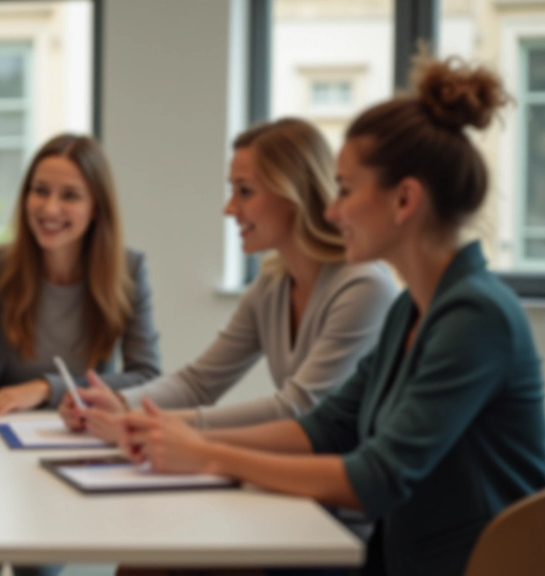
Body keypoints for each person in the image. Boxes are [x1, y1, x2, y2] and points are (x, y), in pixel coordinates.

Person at [119, 57, 545, 576]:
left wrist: (208, 454)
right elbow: (326, 426)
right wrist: (191, 440)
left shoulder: (476, 317)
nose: (331, 210)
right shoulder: (412, 312)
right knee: (154, 563)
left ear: (404, 199)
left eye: (344, 190)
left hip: (459, 566)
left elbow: (378, 476)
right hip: (400, 557)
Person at [61, 118, 397, 440]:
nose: (229, 208)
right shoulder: (271, 286)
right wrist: (119, 404)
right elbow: (199, 383)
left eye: (245, 192)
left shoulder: (363, 288)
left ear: (293, 193)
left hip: (347, 491)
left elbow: (298, 408)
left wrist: (153, 423)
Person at [0, 133, 162, 417]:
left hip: (86, 430)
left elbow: (147, 377)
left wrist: (46, 388)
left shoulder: (129, 270)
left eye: (70, 195)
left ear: (96, 207)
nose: (49, 208)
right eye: (41, 191)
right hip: (1, 426)